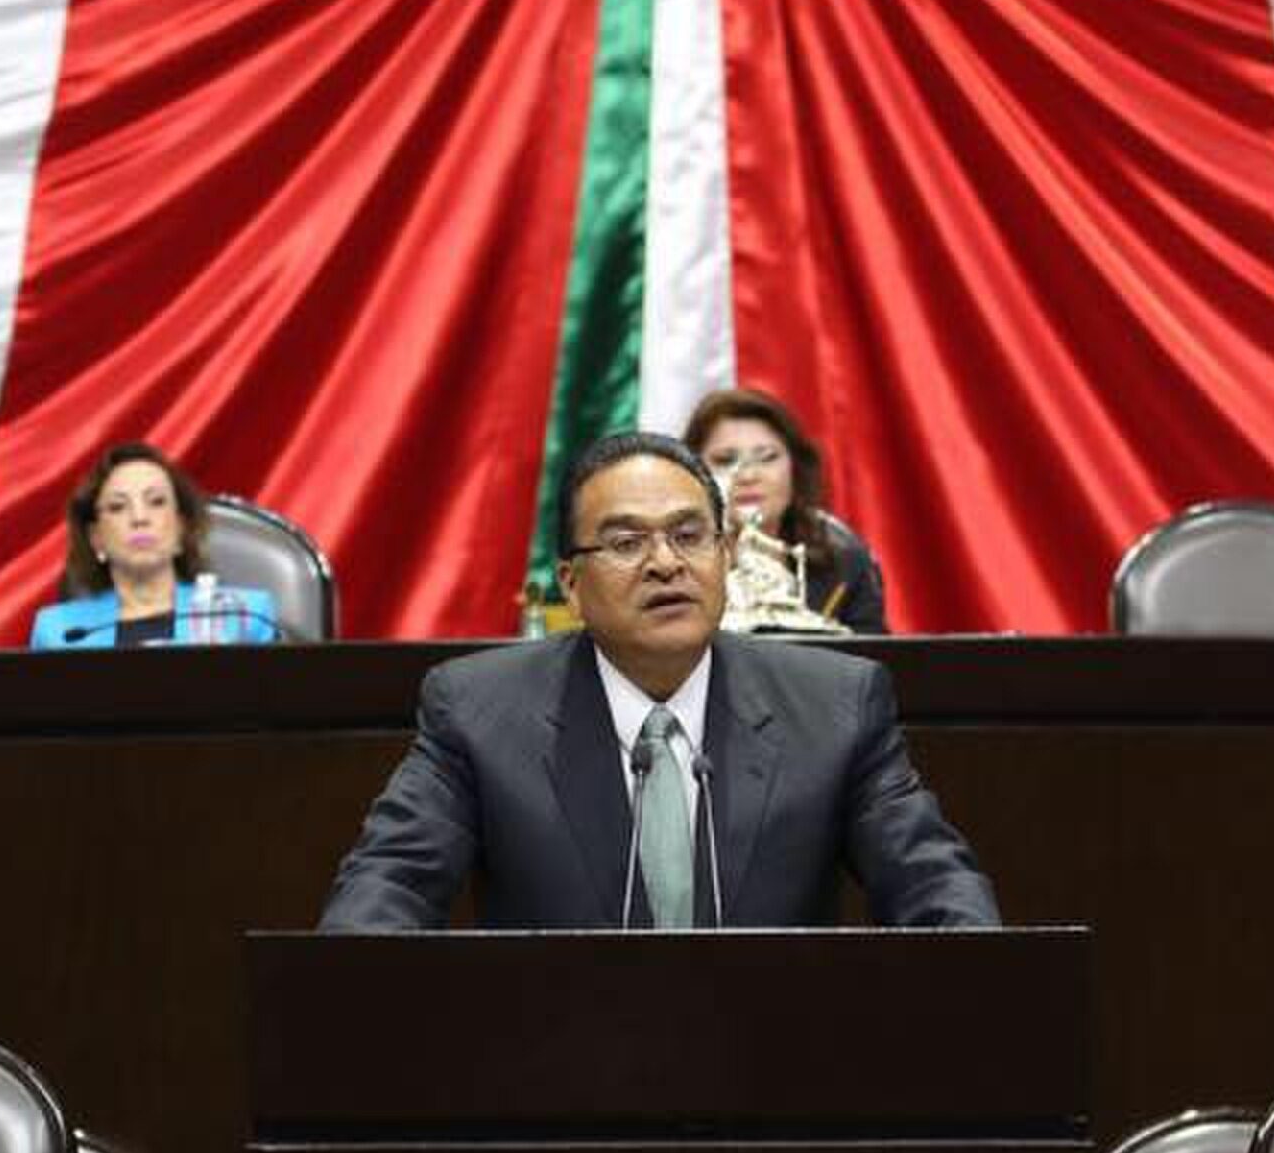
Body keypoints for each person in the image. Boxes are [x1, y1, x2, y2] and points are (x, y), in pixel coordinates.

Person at [320, 431, 997, 932]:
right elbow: (391, 883)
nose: (665, 563)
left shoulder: (836, 705)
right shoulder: (477, 710)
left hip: (779, 1084)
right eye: (624, 543)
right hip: (556, 1087)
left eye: (689, 535)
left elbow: (931, 881)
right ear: (571, 584)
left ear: (726, 554)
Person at [29, 443, 278, 648]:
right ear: (97, 538)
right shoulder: (60, 632)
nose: (139, 518)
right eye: (118, 507)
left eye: (156, 502)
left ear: (181, 527)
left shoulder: (245, 617)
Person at [683, 388, 889, 633]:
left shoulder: (842, 553)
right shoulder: (671, 557)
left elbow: (875, 659)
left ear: (795, 467)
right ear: (692, 473)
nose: (748, 475)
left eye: (767, 457)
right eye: (726, 461)